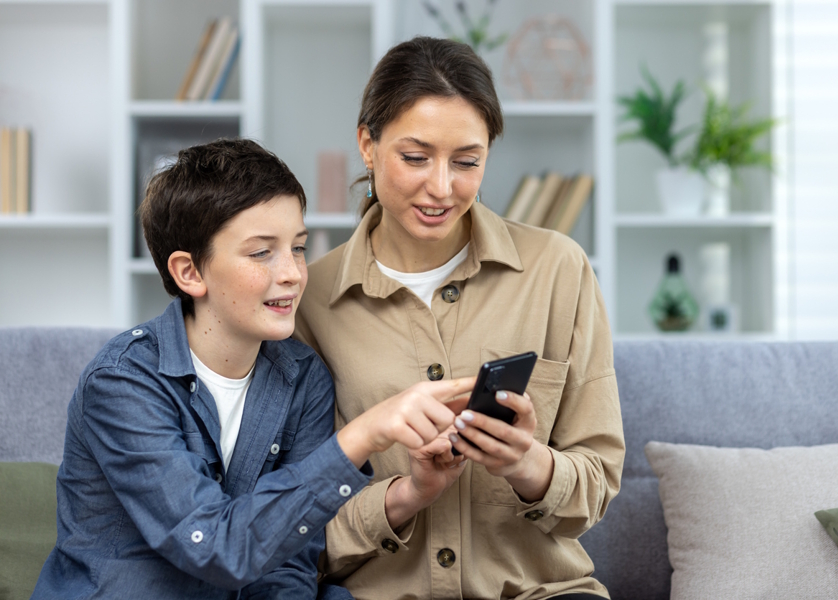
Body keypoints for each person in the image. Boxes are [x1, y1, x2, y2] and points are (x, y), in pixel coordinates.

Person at [31, 138, 474, 599]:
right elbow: (217, 547)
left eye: (298, 248)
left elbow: (288, 563)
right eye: (262, 252)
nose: (293, 273)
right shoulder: (122, 383)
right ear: (190, 273)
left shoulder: (303, 377)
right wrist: (364, 434)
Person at [294, 37, 626, 599]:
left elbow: (595, 483)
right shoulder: (309, 299)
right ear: (367, 146)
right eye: (416, 158)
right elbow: (292, 519)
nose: (442, 188)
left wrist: (528, 465)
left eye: (467, 161)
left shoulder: (558, 270)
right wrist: (406, 495)